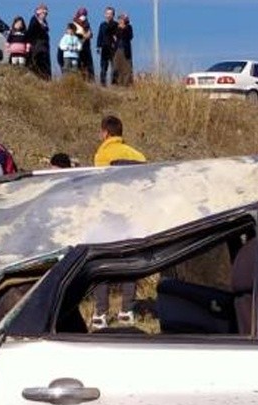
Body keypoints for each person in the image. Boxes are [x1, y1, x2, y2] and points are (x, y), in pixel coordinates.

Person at [90, 114, 144, 328]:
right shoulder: (138, 155)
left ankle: (101, 313)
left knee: (101, 264)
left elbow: (99, 185)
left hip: (107, 215)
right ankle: (126, 311)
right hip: (131, 215)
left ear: (105, 132)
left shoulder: (102, 154)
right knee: (130, 262)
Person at [25, 3, 51, 80]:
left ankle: (45, 78)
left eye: (45, 13)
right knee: (36, 61)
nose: (44, 14)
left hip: (44, 46)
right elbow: (30, 32)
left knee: (44, 63)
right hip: (36, 45)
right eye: (43, 12)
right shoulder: (34, 19)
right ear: (38, 12)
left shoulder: (45, 22)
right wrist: (29, 43)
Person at [95, 6, 118, 85]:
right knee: (103, 67)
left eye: (110, 14)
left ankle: (114, 83)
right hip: (104, 48)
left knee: (114, 67)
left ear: (113, 15)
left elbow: (118, 36)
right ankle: (103, 83)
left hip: (113, 48)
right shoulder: (102, 25)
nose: (108, 15)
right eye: (107, 13)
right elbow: (99, 36)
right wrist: (98, 47)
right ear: (105, 14)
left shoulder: (116, 24)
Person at [70, 7, 94, 80]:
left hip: (86, 47)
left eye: (84, 14)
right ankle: (79, 81)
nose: (83, 16)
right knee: (78, 65)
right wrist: (84, 36)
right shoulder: (74, 24)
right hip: (77, 48)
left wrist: (89, 35)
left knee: (88, 65)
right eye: (81, 14)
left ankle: (90, 81)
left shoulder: (87, 23)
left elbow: (90, 33)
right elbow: (71, 34)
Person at [112, 12, 133, 86]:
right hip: (118, 49)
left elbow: (130, 36)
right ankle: (118, 83)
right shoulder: (117, 27)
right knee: (117, 67)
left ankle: (126, 84)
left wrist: (123, 28)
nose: (120, 20)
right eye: (119, 19)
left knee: (126, 68)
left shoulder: (129, 27)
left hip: (125, 50)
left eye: (121, 19)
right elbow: (115, 36)